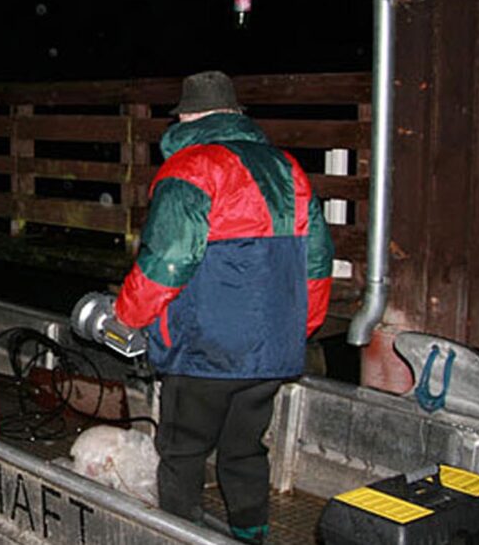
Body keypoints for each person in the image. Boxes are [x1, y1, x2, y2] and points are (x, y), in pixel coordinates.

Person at [113, 71, 334, 544]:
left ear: (188, 116)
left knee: (181, 451)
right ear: (236, 114)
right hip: (272, 349)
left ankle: (177, 534)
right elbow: (316, 262)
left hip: (205, 348)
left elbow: (167, 263)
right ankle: (251, 533)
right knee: (244, 450)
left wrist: (127, 317)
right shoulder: (286, 167)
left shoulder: (189, 168)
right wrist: (301, 327)